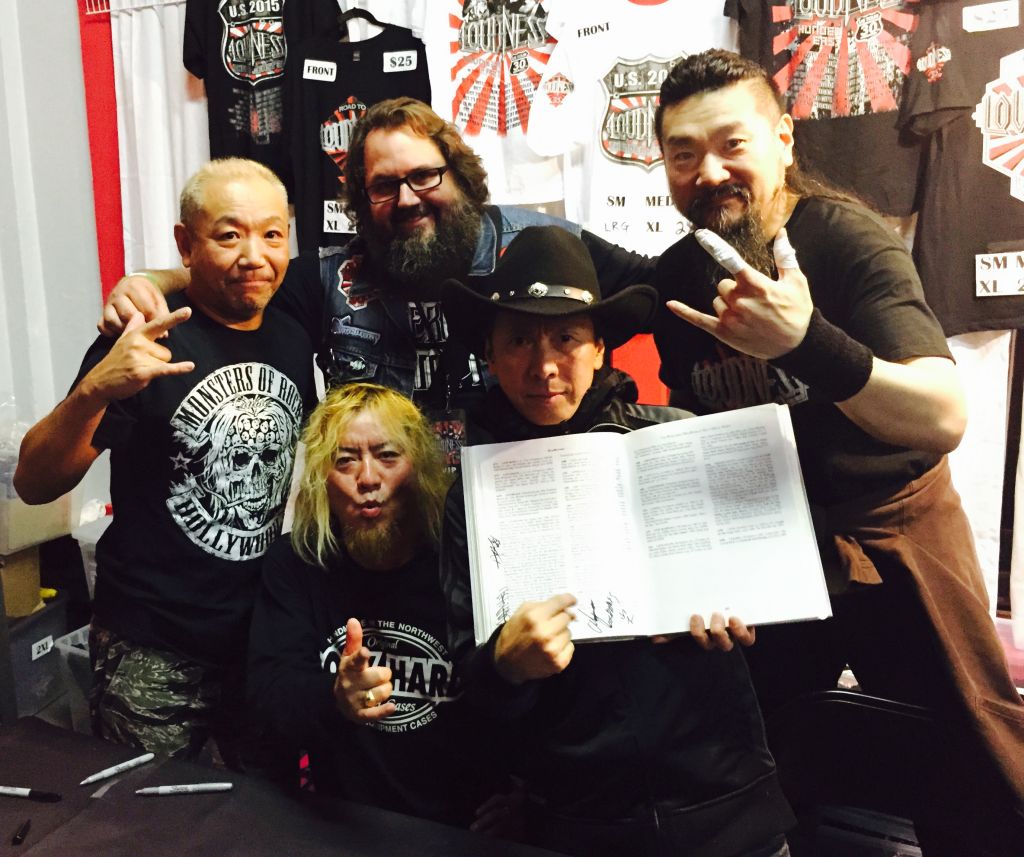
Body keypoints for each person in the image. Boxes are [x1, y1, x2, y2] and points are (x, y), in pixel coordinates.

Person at [650, 49, 1024, 853]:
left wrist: (808, 343)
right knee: (762, 763)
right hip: (771, 545)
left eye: (732, 143)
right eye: (683, 153)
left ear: (784, 140)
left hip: (894, 535)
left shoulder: (846, 239)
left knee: (975, 766)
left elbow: (944, 414)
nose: (708, 171)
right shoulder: (677, 276)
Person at [439, 226, 794, 857]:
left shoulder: (677, 438)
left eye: (566, 338)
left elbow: (772, 594)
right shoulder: (471, 493)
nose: (544, 366)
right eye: (518, 339)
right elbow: (470, 685)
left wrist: (746, 613)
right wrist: (502, 666)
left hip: (727, 806)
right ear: (488, 354)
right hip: (576, 821)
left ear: (601, 348)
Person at [99, 97, 655, 450]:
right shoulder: (328, 278)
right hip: (382, 536)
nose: (407, 199)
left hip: (510, 513)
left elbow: (657, 287)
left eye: (424, 176)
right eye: (385, 186)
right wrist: (154, 280)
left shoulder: (540, 246)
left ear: (460, 176)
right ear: (362, 203)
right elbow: (241, 279)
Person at [14, 158, 315, 762]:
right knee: (149, 809)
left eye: (272, 234)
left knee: (266, 808)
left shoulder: (292, 336)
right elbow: (33, 482)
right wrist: (95, 390)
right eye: (228, 235)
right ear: (186, 243)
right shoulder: (143, 338)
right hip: (153, 644)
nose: (254, 255)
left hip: (259, 635)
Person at [247, 383, 515, 832]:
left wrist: (528, 794)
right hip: (345, 822)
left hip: (461, 829)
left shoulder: (467, 556)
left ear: (419, 468)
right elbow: (269, 696)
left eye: (387, 456)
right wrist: (335, 698)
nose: (367, 478)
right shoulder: (298, 562)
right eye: (345, 460)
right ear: (321, 478)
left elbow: (514, 690)